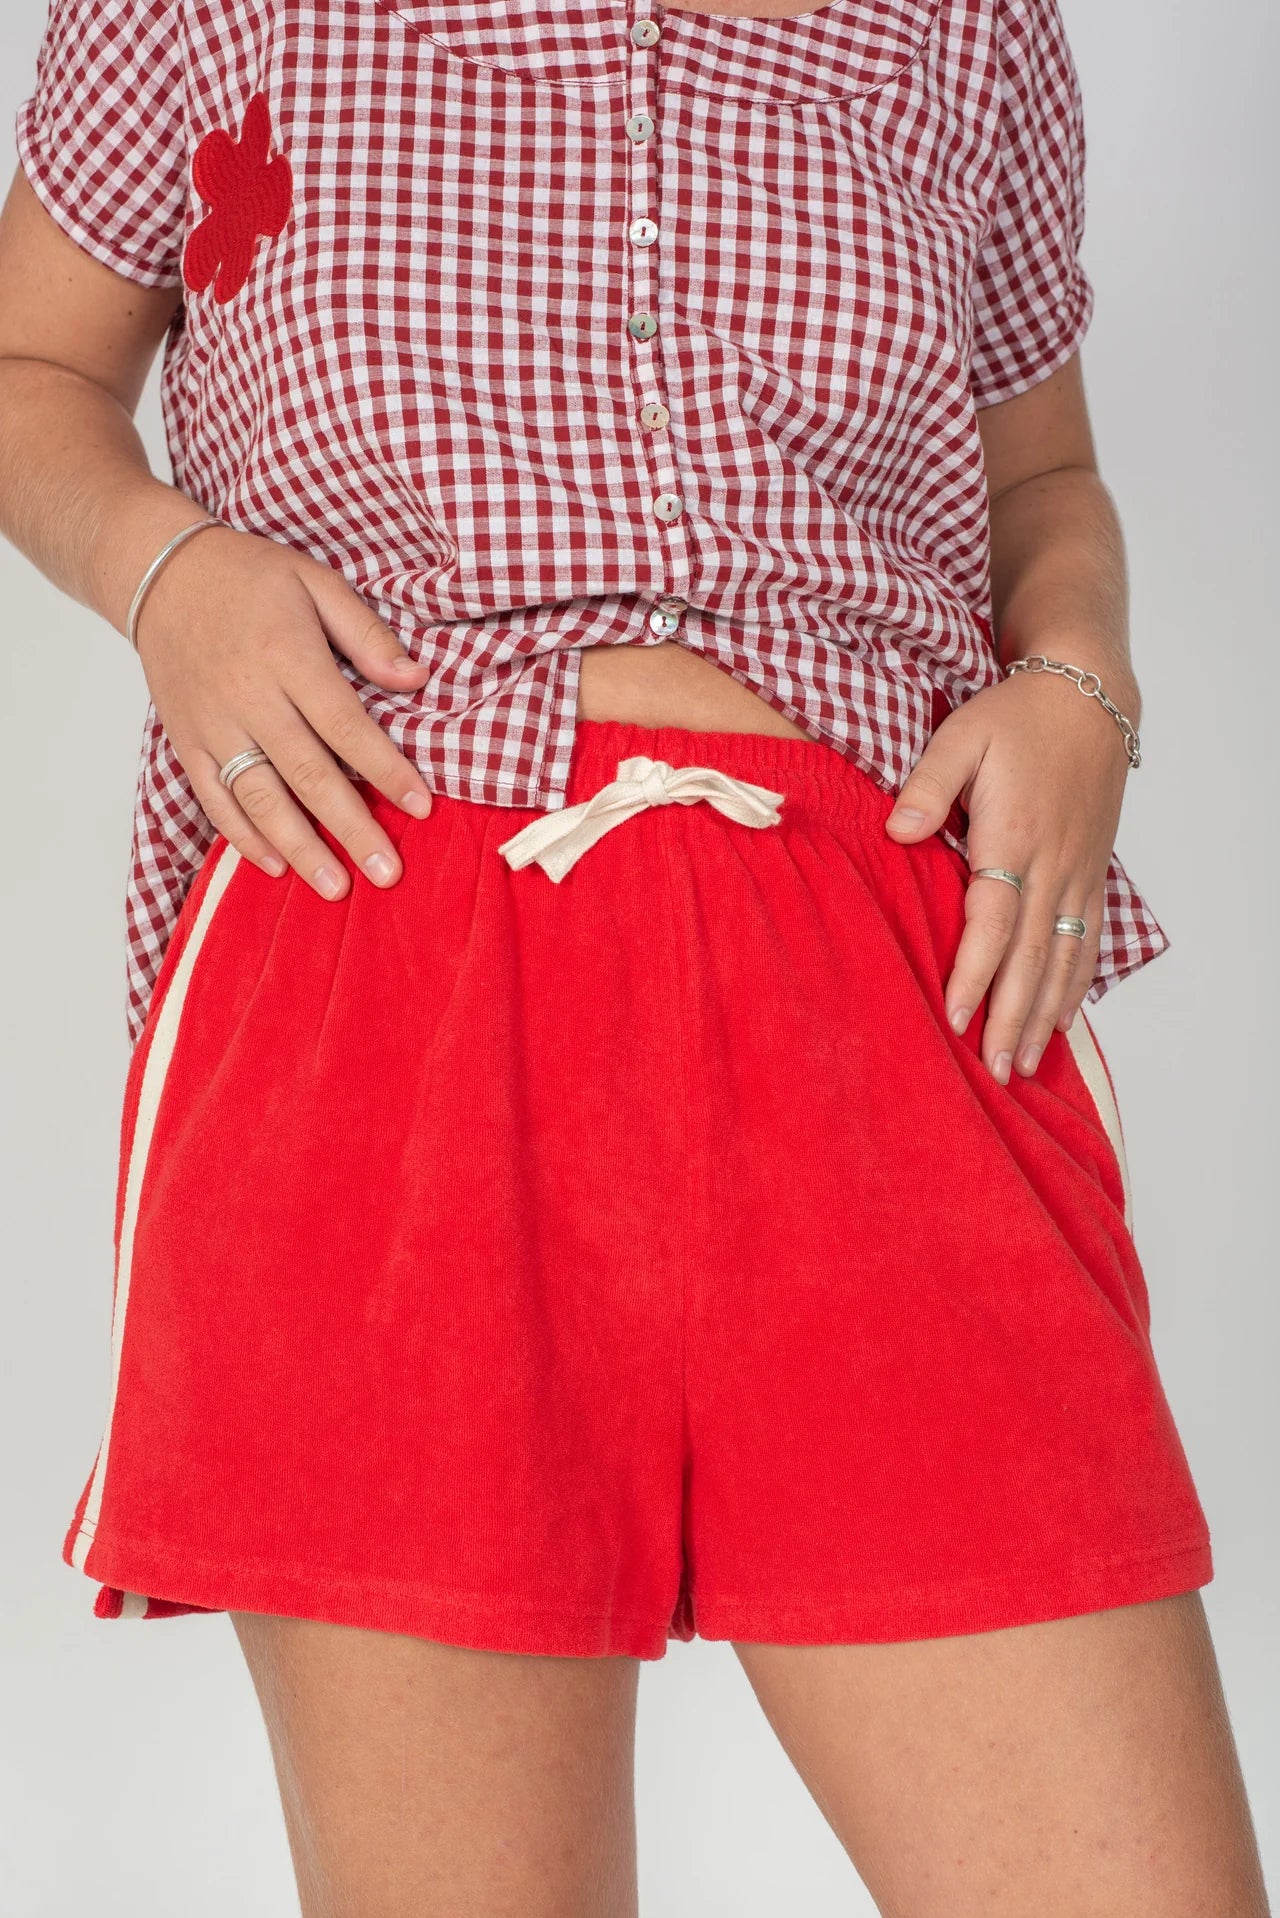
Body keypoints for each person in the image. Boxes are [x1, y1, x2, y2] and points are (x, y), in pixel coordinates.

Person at [0, 0, 1270, 1910]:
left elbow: (1039, 479)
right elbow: (27, 360)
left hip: (888, 972)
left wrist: (1083, 678)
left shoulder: (972, 29)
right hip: (380, 952)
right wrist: (163, 570)